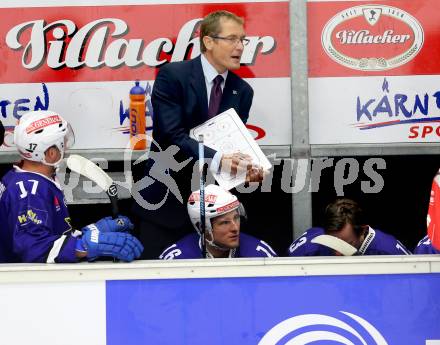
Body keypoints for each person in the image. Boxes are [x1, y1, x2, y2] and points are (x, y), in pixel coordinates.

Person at [132, 10, 264, 259]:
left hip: (214, 217)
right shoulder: (173, 75)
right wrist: (220, 159)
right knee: (159, 287)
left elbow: (231, 146)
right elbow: (173, 136)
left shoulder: (242, 91)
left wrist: (244, 171)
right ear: (208, 41)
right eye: (232, 39)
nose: (240, 47)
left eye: (243, 40)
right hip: (165, 205)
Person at [0, 110, 143, 263]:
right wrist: (83, 246)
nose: (67, 146)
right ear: (51, 153)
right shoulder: (30, 191)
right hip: (23, 284)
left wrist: (94, 231)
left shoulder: (26, 178)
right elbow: (34, 248)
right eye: (63, 141)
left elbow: (51, 233)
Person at [159, 184, 276, 259]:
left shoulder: (259, 254)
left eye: (236, 218)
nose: (235, 228)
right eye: (225, 222)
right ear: (202, 227)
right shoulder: (177, 259)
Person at [288, 198, 411, 256]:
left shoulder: (388, 251)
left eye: (347, 244)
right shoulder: (309, 248)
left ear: (362, 231)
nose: (337, 253)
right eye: (332, 242)